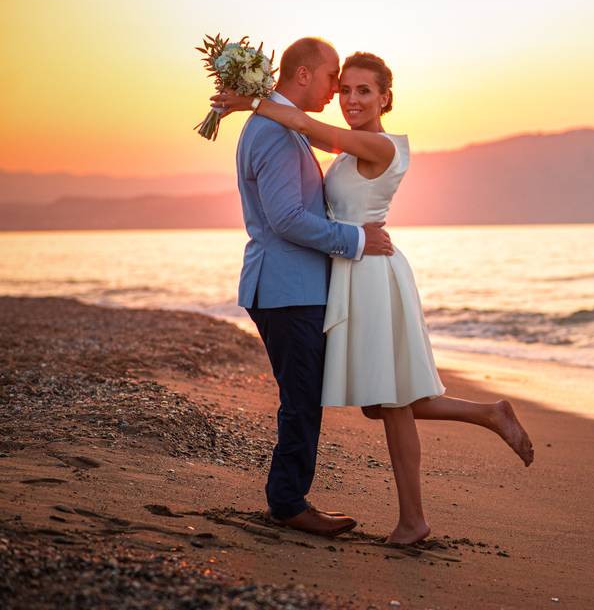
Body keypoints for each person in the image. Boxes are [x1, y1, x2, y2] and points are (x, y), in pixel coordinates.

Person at [213, 46, 534, 545]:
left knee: (388, 399)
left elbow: (308, 131)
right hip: (346, 271)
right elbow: (296, 180)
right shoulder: (332, 142)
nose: (347, 97)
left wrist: (253, 102)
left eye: (362, 90)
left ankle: (411, 517)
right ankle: (484, 414)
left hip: (368, 273)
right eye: (341, 87)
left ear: (387, 98)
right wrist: (255, 103)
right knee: (379, 401)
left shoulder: (377, 146)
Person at [232, 37, 394, 538]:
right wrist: (356, 238)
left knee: (302, 395)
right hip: (286, 286)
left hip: (287, 284)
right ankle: (287, 503)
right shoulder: (276, 133)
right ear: (303, 75)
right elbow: (285, 219)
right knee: (301, 398)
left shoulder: (279, 125)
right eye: (331, 80)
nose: (335, 91)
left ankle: (288, 496)